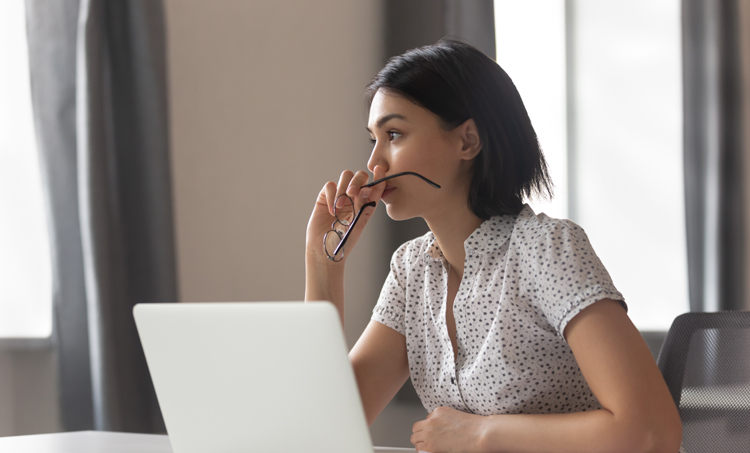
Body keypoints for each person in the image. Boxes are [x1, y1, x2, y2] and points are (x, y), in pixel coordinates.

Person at [304, 38, 684, 453]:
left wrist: (480, 434)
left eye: (394, 134)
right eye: (372, 140)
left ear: (468, 141)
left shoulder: (547, 250)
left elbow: (650, 432)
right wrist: (323, 262)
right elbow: (323, 426)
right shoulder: (411, 271)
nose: (374, 164)